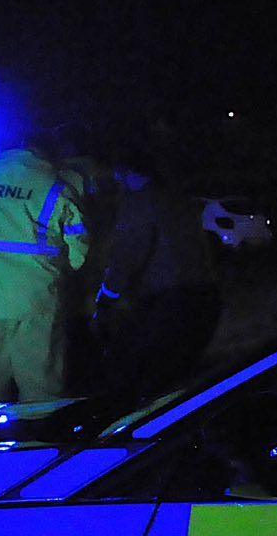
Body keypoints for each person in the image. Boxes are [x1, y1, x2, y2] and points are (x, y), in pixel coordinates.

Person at [0, 134, 90, 406]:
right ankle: (37, 445)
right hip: (37, 302)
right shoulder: (55, 188)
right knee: (41, 393)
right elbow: (79, 251)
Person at [93, 151, 221, 400]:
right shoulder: (177, 199)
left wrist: (106, 299)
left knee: (140, 379)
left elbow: (127, 255)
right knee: (179, 382)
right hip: (205, 297)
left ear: (127, 171)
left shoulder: (140, 203)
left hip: (169, 302)